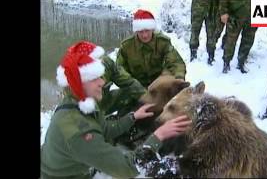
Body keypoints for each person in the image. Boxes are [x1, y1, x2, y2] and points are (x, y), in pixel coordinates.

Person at [40, 41, 192, 179]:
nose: (103, 82)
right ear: (78, 84)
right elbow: (127, 168)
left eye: (100, 76)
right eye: (94, 79)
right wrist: (159, 135)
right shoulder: (78, 130)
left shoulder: (81, 103)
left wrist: (133, 116)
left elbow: (105, 129)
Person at [116, 9, 186, 88]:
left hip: (159, 85)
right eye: (141, 32)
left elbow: (176, 62)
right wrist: (131, 84)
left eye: (147, 31)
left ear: (152, 29)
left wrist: (179, 78)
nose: (144, 35)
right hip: (135, 87)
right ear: (136, 32)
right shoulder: (127, 46)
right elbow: (119, 70)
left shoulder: (162, 42)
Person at [220, 0, 258, 74]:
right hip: (236, 13)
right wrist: (223, 12)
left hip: (255, 11)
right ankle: (226, 62)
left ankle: (241, 61)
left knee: (248, 39)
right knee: (231, 39)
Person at [189, 0, 225, 65]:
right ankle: (193, 54)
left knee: (211, 32)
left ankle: (211, 56)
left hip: (213, 7)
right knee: (195, 30)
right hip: (198, 6)